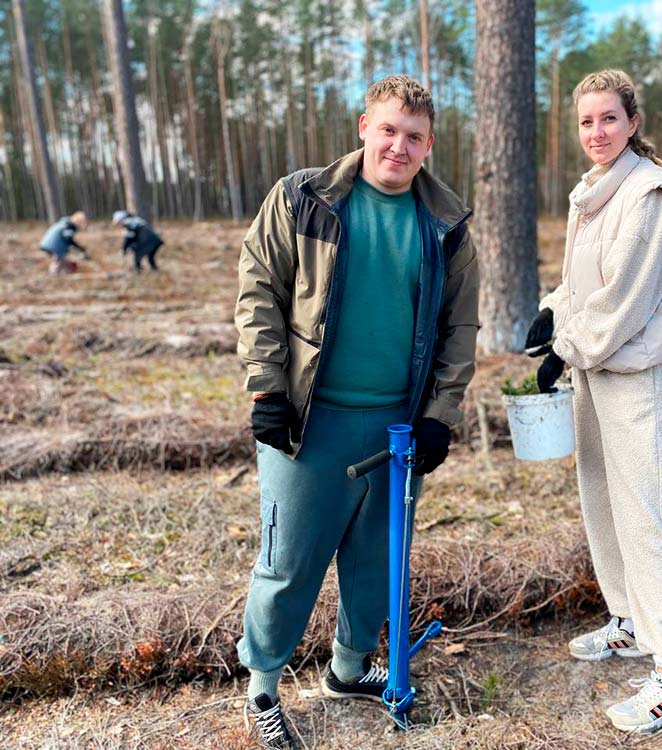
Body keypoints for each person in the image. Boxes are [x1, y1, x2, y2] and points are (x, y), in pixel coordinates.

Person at [234, 75, 479, 749]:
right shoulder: (304, 199)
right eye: (389, 130)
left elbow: (461, 329)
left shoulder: (447, 225)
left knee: (378, 560)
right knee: (290, 560)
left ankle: (347, 671)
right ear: (364, 127)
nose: (398, 146)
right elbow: (259, 287)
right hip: (310, 420)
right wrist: (266, 388)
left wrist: (441, 414)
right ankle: (261, 686)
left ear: (430, 145)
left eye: (415, 137)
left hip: (397, 427)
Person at [524, 69, 662, 734]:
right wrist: (550, 314)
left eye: (608, 118)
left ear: (632, 121)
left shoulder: (648, 194)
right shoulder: (593, 192)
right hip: (596, 371)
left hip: (638, 375)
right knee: (601, 498)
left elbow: (625, 299)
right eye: (585, 121)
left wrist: (563, 348)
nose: (596, 132)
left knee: (645, 519)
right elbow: (583, 283)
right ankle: (630, 623)